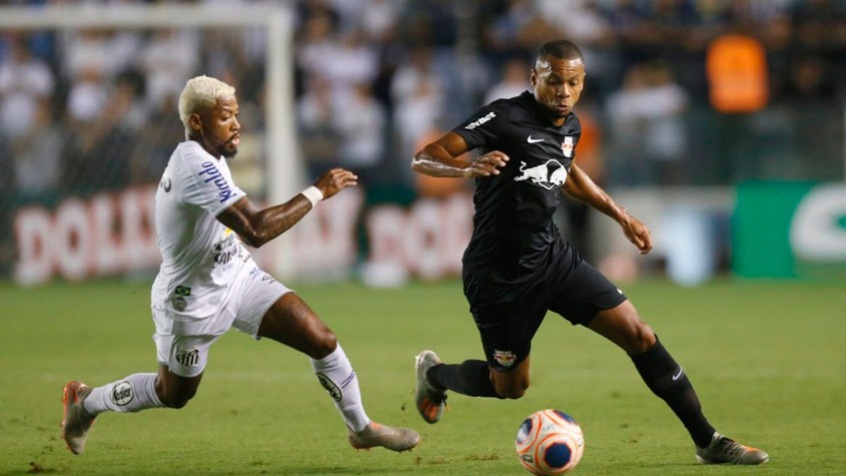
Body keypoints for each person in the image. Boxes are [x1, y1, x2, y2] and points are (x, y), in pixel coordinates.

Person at [410, 39, 767, 465]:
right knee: (510, 386)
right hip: (498, 276)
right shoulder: (504, 116)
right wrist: (465, 167)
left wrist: (621, 215)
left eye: (573, 82)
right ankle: (434, 375)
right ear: (534, 79)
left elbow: (568, 172)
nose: (563, 91)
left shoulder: (571, 126)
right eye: (554, 81)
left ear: (582, 84)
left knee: (639, 334)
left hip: (553, 258)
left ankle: (708, 441)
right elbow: (425, 156)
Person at [60, 75, 420, 456]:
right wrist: (318, 191)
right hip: (191, 299)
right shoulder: (194, 165)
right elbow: (256, 230)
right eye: (226, 117)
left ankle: (361, 428)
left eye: (236, 115)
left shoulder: (208, 156)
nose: (237, 125)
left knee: (322, 340)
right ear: (197, 122)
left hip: (237, 275)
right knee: (174, 393)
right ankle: (87, 402)